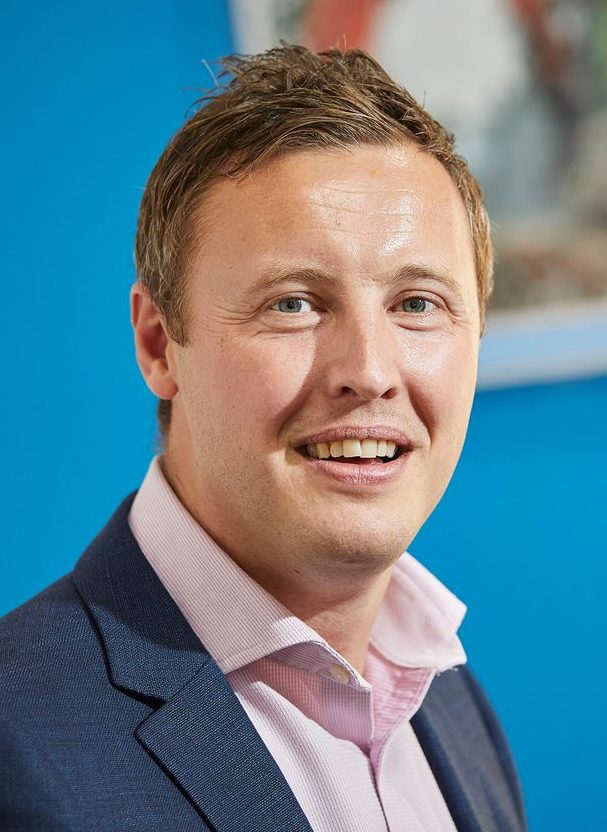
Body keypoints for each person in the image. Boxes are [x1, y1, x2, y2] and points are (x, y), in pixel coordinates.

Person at [0, 44, 526, 831]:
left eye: (418, 304)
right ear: (157, 343)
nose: (370, 372)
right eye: (292, 304)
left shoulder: (446, 690)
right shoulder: (18, 743)